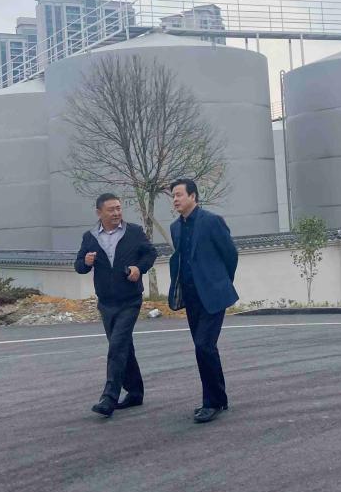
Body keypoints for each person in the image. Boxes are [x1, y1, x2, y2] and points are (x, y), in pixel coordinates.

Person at [75, 193, 158, 418]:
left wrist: (139, 268)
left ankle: (109, 397)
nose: (116, 213)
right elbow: (79, 266)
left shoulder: (134, 232)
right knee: (123, 346)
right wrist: (86, 262)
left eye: (119, 208)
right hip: (106, 303)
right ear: (99, 212)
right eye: (111, 209)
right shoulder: (90, 237)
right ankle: (135, 392)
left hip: (130, 300)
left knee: (117, 345)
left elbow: (151, 253)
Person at [168, 178, 239, 423]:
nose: (175, 200)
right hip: (191, 297)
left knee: (204, 346)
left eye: (179, 194)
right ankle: (219, 398)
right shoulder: (175, 228)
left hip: (213, 295)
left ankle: (211, 403)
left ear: (193, 196)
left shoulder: (212, 221)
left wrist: (220, 282)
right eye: (173, 196)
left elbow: (230, 254)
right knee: (204, 349)